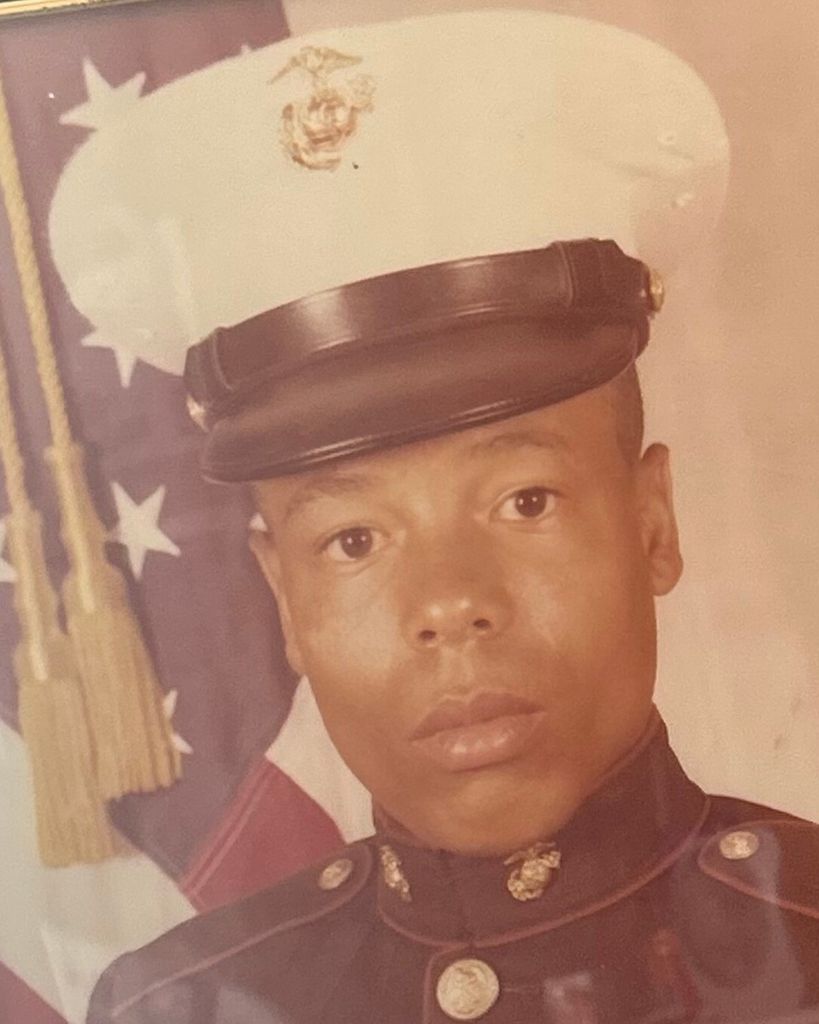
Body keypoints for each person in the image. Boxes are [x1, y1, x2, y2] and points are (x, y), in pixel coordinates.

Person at [85, 9, 819, 1023]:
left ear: (652, 523)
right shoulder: (178, 1009)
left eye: (524, 501)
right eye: (353, 540)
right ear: (284, 600)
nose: (448, 604)